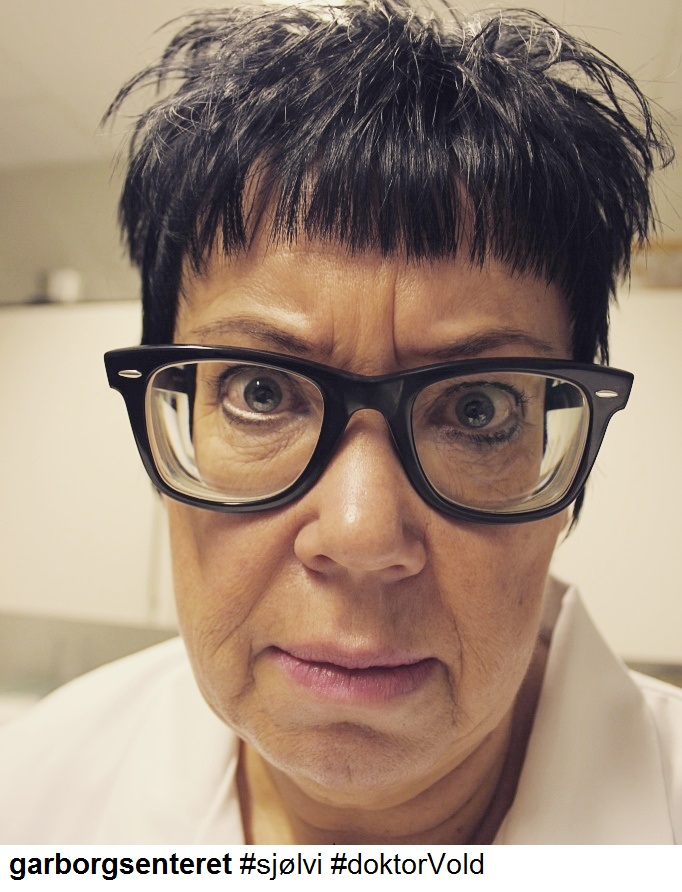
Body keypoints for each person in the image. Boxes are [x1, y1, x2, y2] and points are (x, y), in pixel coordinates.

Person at [1, 0, 680, 845]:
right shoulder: (30, 797)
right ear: (175, 419)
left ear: (557, 454)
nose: (361, 534)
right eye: (260, 393)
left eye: (478, 410)